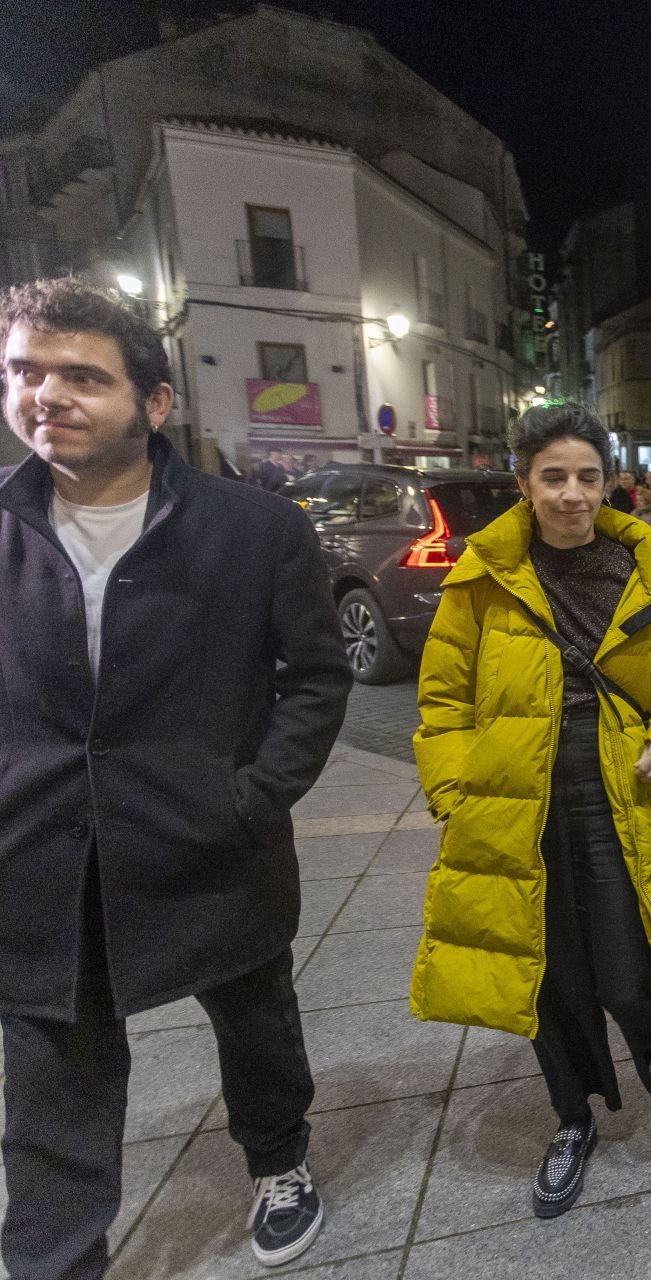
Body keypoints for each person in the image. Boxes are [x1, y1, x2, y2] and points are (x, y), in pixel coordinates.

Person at [0, 279, 352, 1274]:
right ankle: (57, 1252)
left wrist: (251, 798)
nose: (47, 395)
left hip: (210, 844)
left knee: (256, 1023)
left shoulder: (252, 529)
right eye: (25, 371)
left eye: (82, 375)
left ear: (153, 402)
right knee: (49, 1074)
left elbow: (316, 678)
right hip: (41, 857)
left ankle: (278, 1158)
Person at [411, 403, 651, 1220]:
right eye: (554, 478)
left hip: (617, 787)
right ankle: (573, 1116)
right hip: (515, 802)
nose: (573, 494)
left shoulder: (646, 568)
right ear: (524, 484)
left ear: (608, 482)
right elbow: (441, 704)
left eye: (588, 477)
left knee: (628, 956)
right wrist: (453, 795)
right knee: (545, 975)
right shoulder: (479, 580)